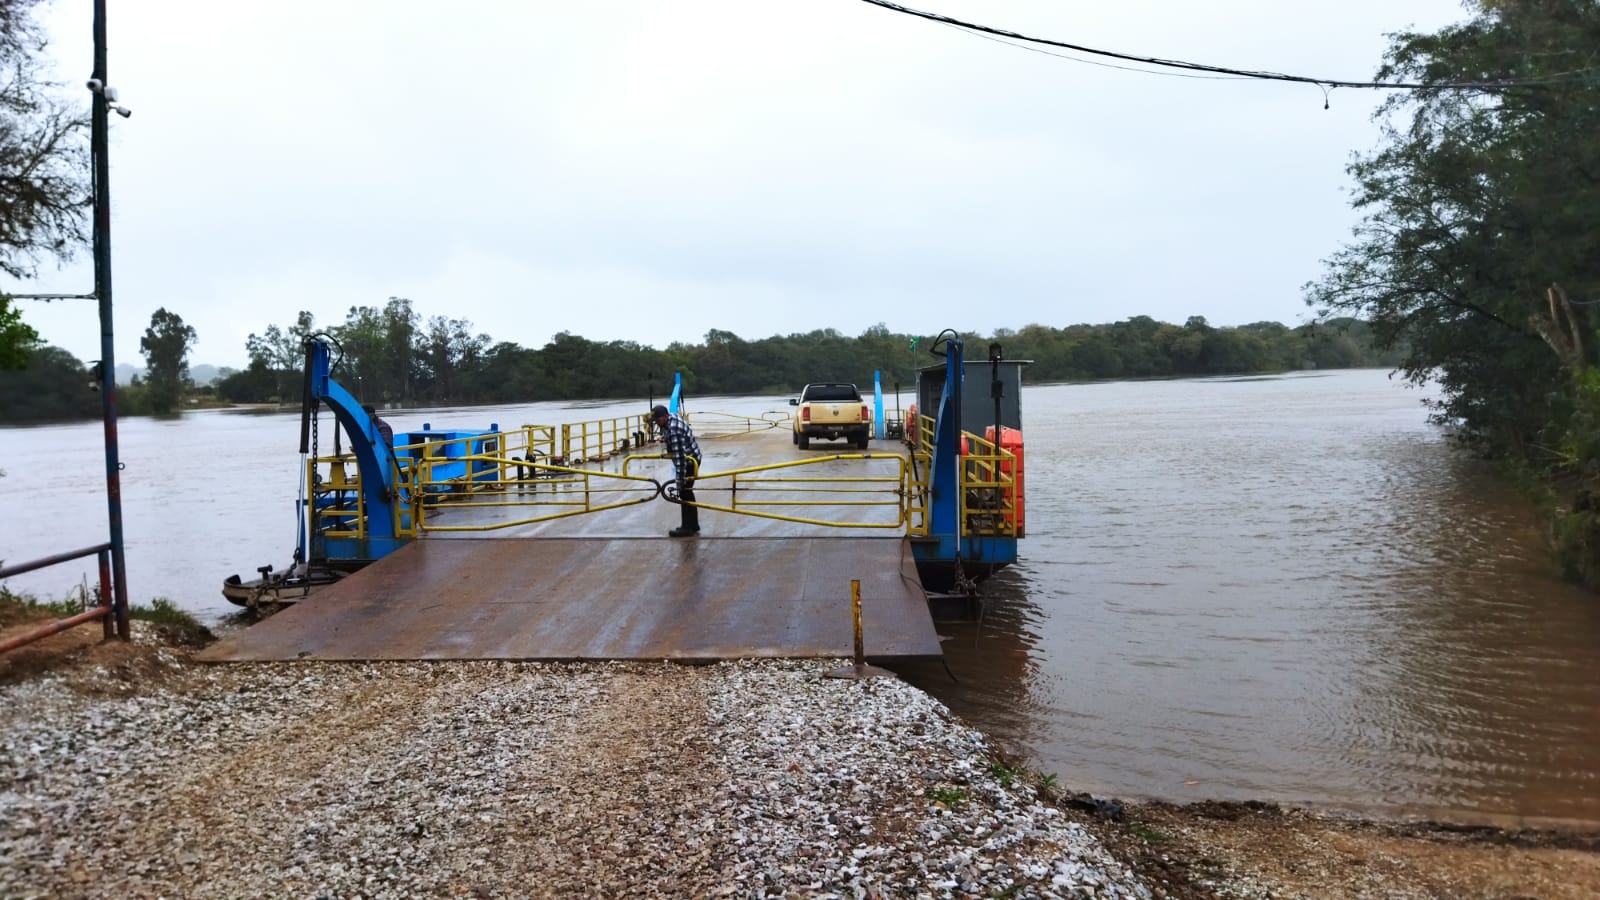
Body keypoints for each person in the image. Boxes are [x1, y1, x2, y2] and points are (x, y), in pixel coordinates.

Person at [651, 404, 702, 537]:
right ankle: (693, 525)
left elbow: (680, 459)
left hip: (690, 462)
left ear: (665, 416)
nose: (657, 423)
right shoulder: (671, 419)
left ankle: (687, 527)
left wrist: (680, 479)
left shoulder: (674, 430)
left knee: (684, 492)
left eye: (658, 420)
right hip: (692, 457)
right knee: (687, 493)